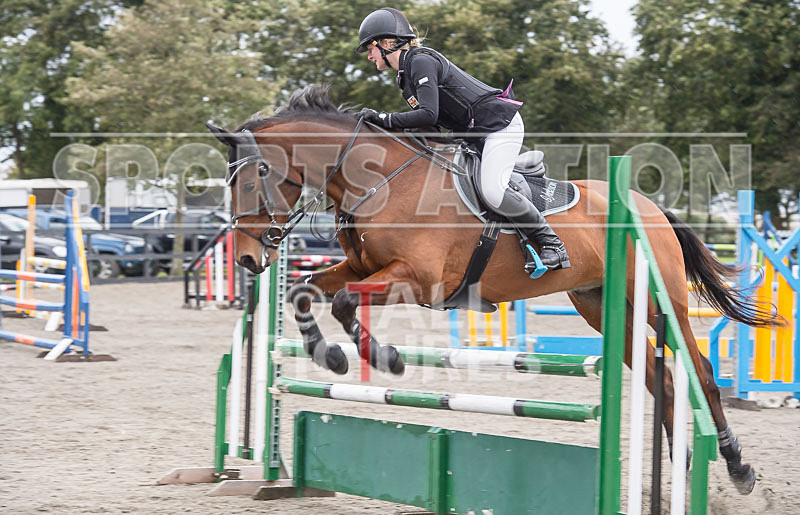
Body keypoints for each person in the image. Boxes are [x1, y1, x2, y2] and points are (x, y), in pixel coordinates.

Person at [354, 7, 570, 273]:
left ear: (386, 44)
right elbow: (430, 128)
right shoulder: (405, 77)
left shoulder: (420, 61)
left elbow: (428, 113)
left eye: (370, 48)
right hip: (474, 135)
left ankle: (553, 245)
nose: (369, 56)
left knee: (492, 191)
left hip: (498, 127)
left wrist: (382, 118)